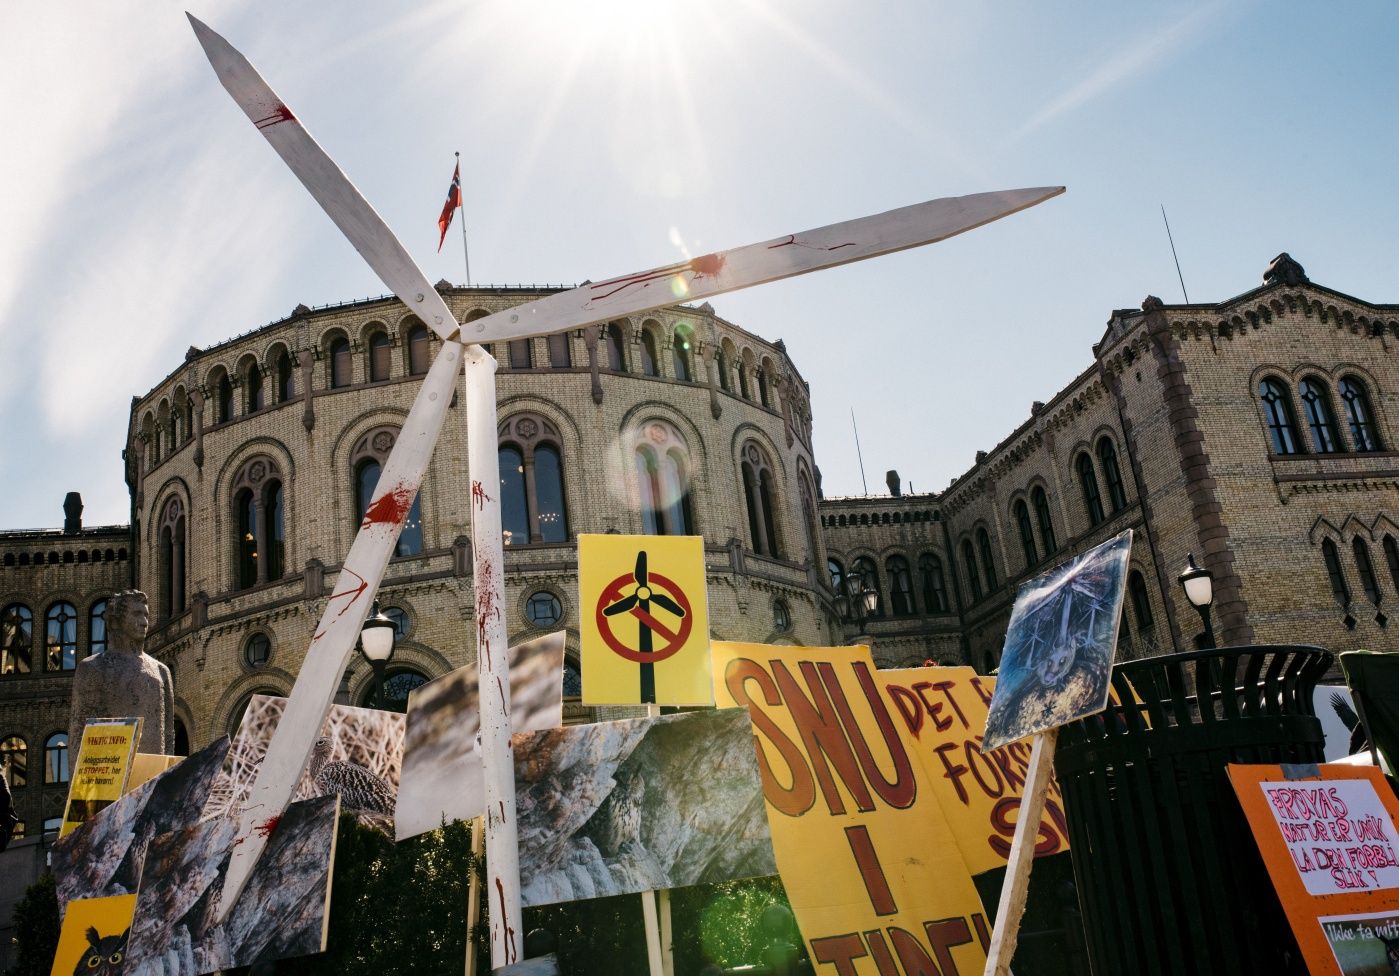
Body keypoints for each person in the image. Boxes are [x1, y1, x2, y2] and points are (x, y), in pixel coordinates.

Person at [68, 590, 174, 754]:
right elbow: (78, 737)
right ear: (116, 621)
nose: (145, 622)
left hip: (153, 775)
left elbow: (168, 737)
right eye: (137, 614)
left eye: (146, 615)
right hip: (107, 773)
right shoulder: (92, 668)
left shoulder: (161, 672)